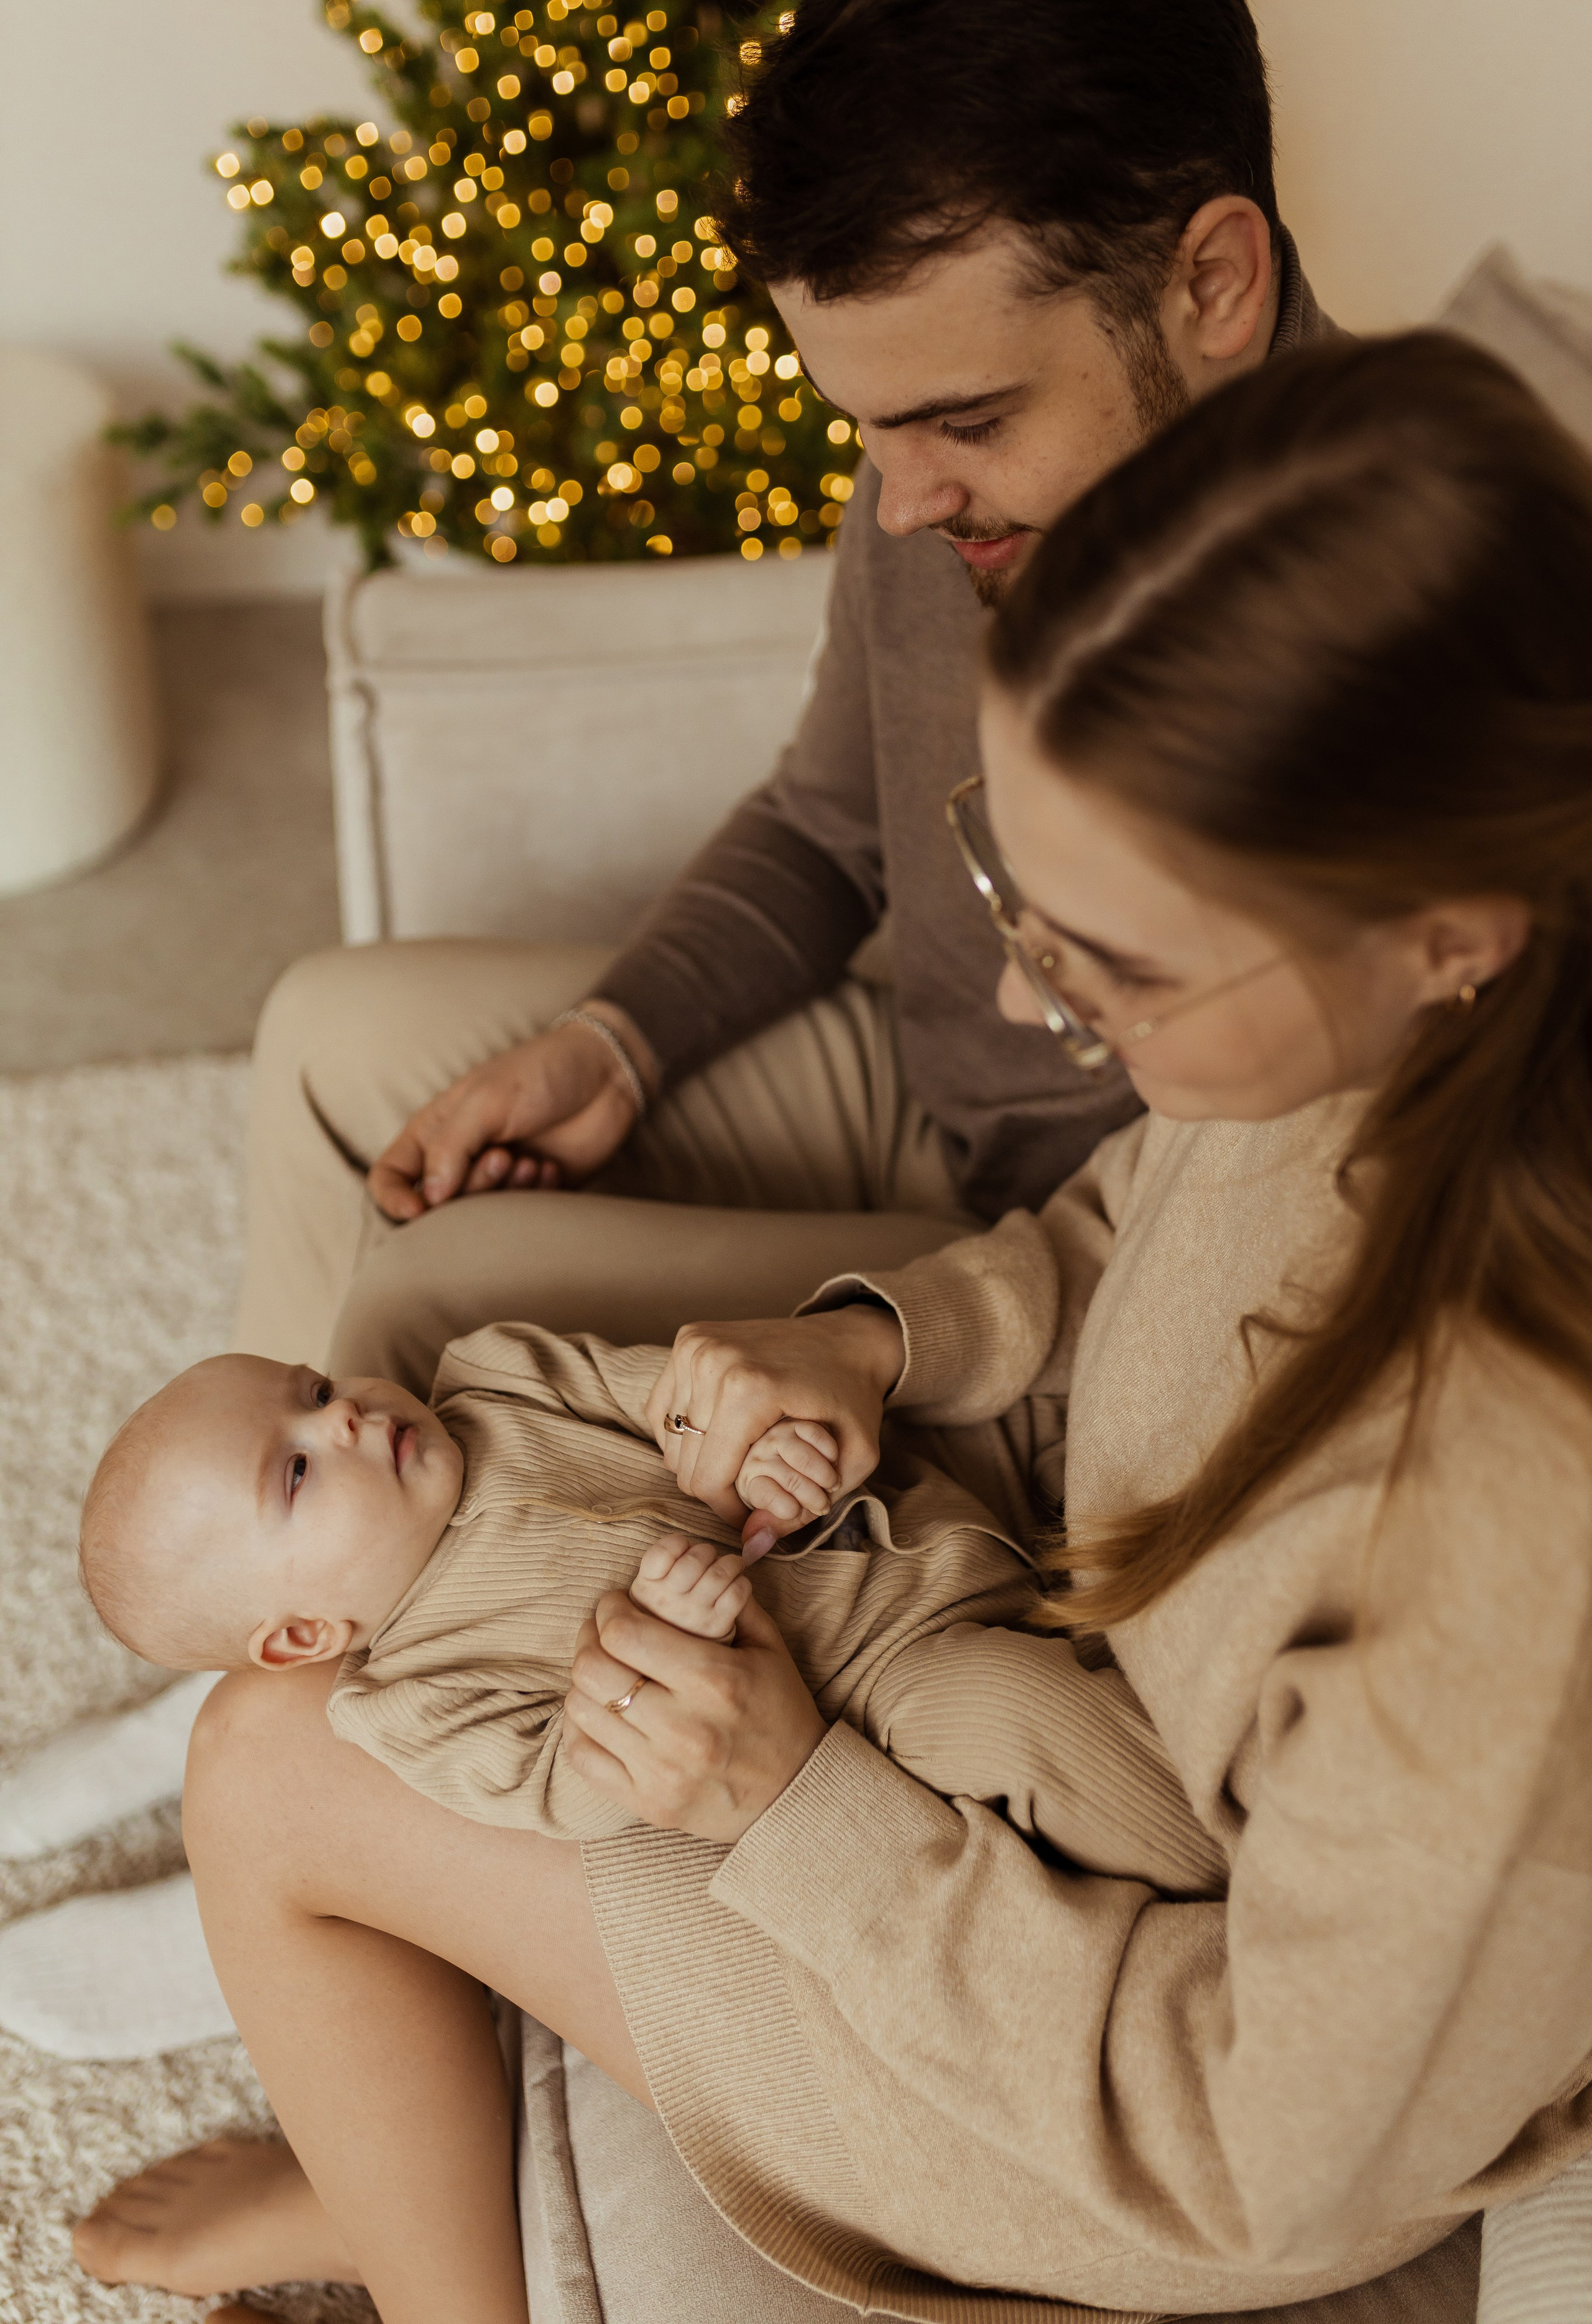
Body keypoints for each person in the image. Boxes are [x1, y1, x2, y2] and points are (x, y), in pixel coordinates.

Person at [74, 331, 1592, 2321]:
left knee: (275, 1766)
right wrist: (886, 1342)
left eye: (1114, 962)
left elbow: (1248, 2152)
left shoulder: (1500, 1570)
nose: (1047, 1014)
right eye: (1017, 899)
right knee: (445, 1317)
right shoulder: (1402, 1031)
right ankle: (392, 2127)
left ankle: (424, 2251)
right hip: (1019, 1661)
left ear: (1444, 937)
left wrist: (791, 1805)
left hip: (1100, 2077)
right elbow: (1144, 1218)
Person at [235, 0, 1326, 1398]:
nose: (897, 505)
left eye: (966, 420)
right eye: (861, 430)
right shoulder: (946, 494)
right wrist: (613, 1046)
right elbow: (830, 823)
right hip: (923, 1098)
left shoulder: (1390, 622)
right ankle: (261, 1574)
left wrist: (896, 1334)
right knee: (328, 1041)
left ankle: (330, 1608)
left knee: (434, 1300)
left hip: (1093, 1250)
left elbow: (1273, 1221)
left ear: (1212, 283)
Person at [78, 1327, 1215, 1881]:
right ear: (304, 1636)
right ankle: (1222, 1852)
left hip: (905, 1522)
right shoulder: (408, 1704)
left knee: (1096, 1486)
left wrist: (761, 1457)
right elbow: (572, 1784)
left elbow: (683, 1409)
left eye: (314, 1392)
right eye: (297, 1472)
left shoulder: (493, 1377)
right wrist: (668, 1642)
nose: (342, 1421)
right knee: (1028, 1722)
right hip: (877, 1689)